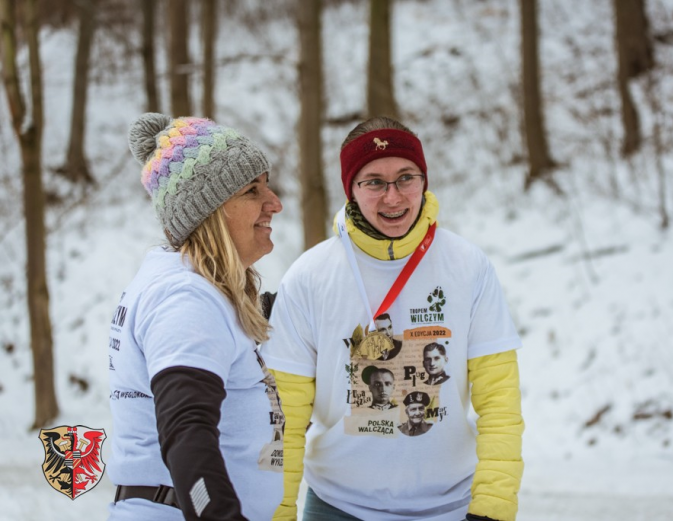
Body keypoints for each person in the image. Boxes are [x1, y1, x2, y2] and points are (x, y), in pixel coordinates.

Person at [262, 116, 524, 521]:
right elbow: (284, 416)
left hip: (451, 508)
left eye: (406, 177)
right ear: (350, 188)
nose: (393, 197)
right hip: (338, 507)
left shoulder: (467, 266)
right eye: (374, 182)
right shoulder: (310, 276)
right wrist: (276, 512)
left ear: (425, 180)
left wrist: (493, 507)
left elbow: (500, 402)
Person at [107, 113, 284, 520]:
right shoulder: (186, 299)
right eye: (252, 190)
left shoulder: (191, 289)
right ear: (213, 211)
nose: (274, 202)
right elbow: (187, 434)